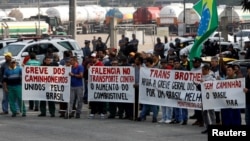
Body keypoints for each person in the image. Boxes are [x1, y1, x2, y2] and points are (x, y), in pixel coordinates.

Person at [195, 64, 216, 134]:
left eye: (203, 70)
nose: (202, 72)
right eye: (202, 70)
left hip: (210, 98)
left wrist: (203, 82)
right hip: (204, 97)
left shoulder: (212, 77)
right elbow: (201, 89)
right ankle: (207, 127)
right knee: (204, 113)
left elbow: (213, 87)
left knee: (211, 113)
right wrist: (197, 84)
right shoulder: (202, 77)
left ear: (207, 70)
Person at [137, 57, 158, 123]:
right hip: (146, 89)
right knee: (146, 103)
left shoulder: (155, 69)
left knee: (153, 104)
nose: (146, 63)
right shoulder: (145, 69)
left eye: (147, 62)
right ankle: (142, 116)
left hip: (153, 89)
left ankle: (154, 117)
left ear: (150, 62)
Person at [88, 52, 106, 119]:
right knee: (93, 99)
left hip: (100, 85)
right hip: (93, 85)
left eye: (93, 58)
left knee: (100, 99)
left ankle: (102, 112)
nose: (92, 59)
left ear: (97, 58)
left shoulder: (100, 64)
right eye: (91, 58)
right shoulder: (91, 64)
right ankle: (93, 112)